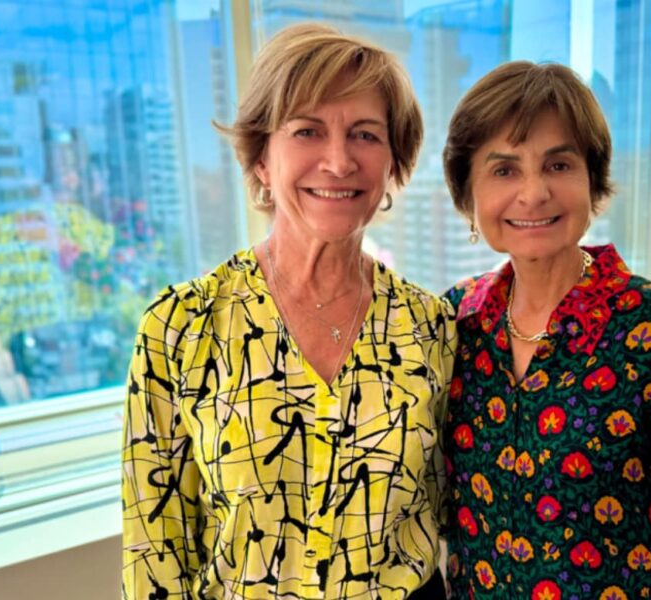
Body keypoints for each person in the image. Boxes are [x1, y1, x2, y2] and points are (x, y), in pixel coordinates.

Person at [121, 23, 454, 600]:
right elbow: (155, 554)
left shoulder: (430, 327)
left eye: (365, 135)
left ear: (393, 163)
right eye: (307, 131)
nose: (339, 161)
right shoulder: (180, 328)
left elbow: (454, 509)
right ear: (261, 159)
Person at [441, 61, 651, 599]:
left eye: (558, 164)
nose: (534, 193)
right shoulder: (456, 321)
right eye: (504, 170)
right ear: (467, 193)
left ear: (592, 181)